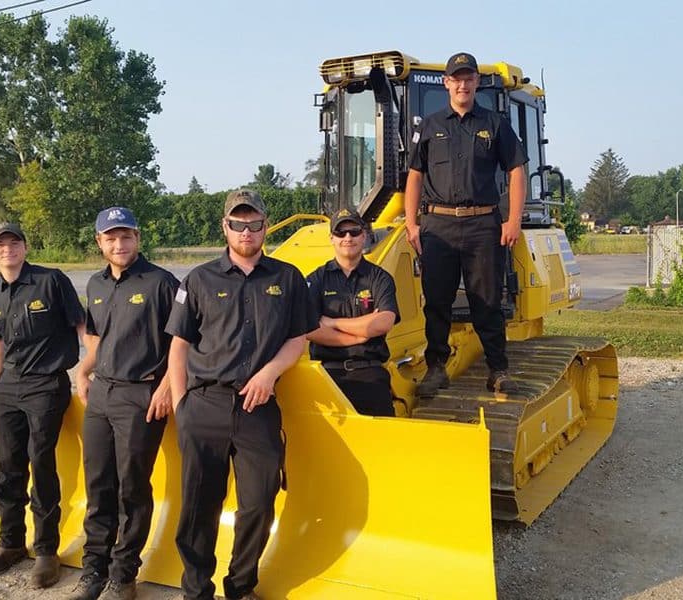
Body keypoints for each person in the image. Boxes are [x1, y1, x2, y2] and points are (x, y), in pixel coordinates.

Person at [165, 189, 316, 600]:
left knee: (259, 503)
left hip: (258, 407)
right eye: (238, 223)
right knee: (199, 506)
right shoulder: (198, 279)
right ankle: (196, 589)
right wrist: (183, 409)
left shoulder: (286, 279)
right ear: (225, 227)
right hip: (205, 405)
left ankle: (240, 585)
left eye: (254, 224)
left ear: (266, 226)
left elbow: (298, 337)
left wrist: (270, 373)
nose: (246, 231)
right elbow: (178, 347)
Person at [68, 207, 179, 600]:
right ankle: (93, 569)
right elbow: (98, 337)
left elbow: (181, 344)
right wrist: (84, 371)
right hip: (101, 394)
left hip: (141, 395)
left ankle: (123, 574)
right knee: (98, 483)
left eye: (126, 236)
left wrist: (167, 387)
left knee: (131, 488)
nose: (119, 244)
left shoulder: (162, 283)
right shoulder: (96, 284)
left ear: (138, 238)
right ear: (99, 242)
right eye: (111, 238)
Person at [404, 51, 528, 397]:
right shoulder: (430, 126)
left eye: (468, 77)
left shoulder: (495, 124)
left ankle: (498, 371)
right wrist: (411, 224)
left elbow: (516, 170)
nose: (462, 84)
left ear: (476, 82)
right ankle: (436, 368)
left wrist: (512, 219)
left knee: (486, 301)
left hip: (482, 226)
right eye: (456, 78)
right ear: (446, 83)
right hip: (438, 227)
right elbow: (414, 176)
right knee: (438, 302)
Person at [0, 222, 85, 589]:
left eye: (14, 242)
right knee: (9, 466)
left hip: (46, 384)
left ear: (24, 248)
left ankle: (45, 551)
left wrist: (88, 371)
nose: (7, 249)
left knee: (40, 462)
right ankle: (10, 543)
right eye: (0, 244)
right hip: (8, 386)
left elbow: (81, 327)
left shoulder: (51, 281)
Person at [306, 209, 399, 416]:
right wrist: (361, 334)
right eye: (341, 233)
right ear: (331, 238)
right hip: (326, 375)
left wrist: (332, 323)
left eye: (354, 232)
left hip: (371, 373)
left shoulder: (380, 278)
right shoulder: (316, 280)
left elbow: (383, 323)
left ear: (364, 235)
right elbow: (310, 329)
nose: (348, 237)